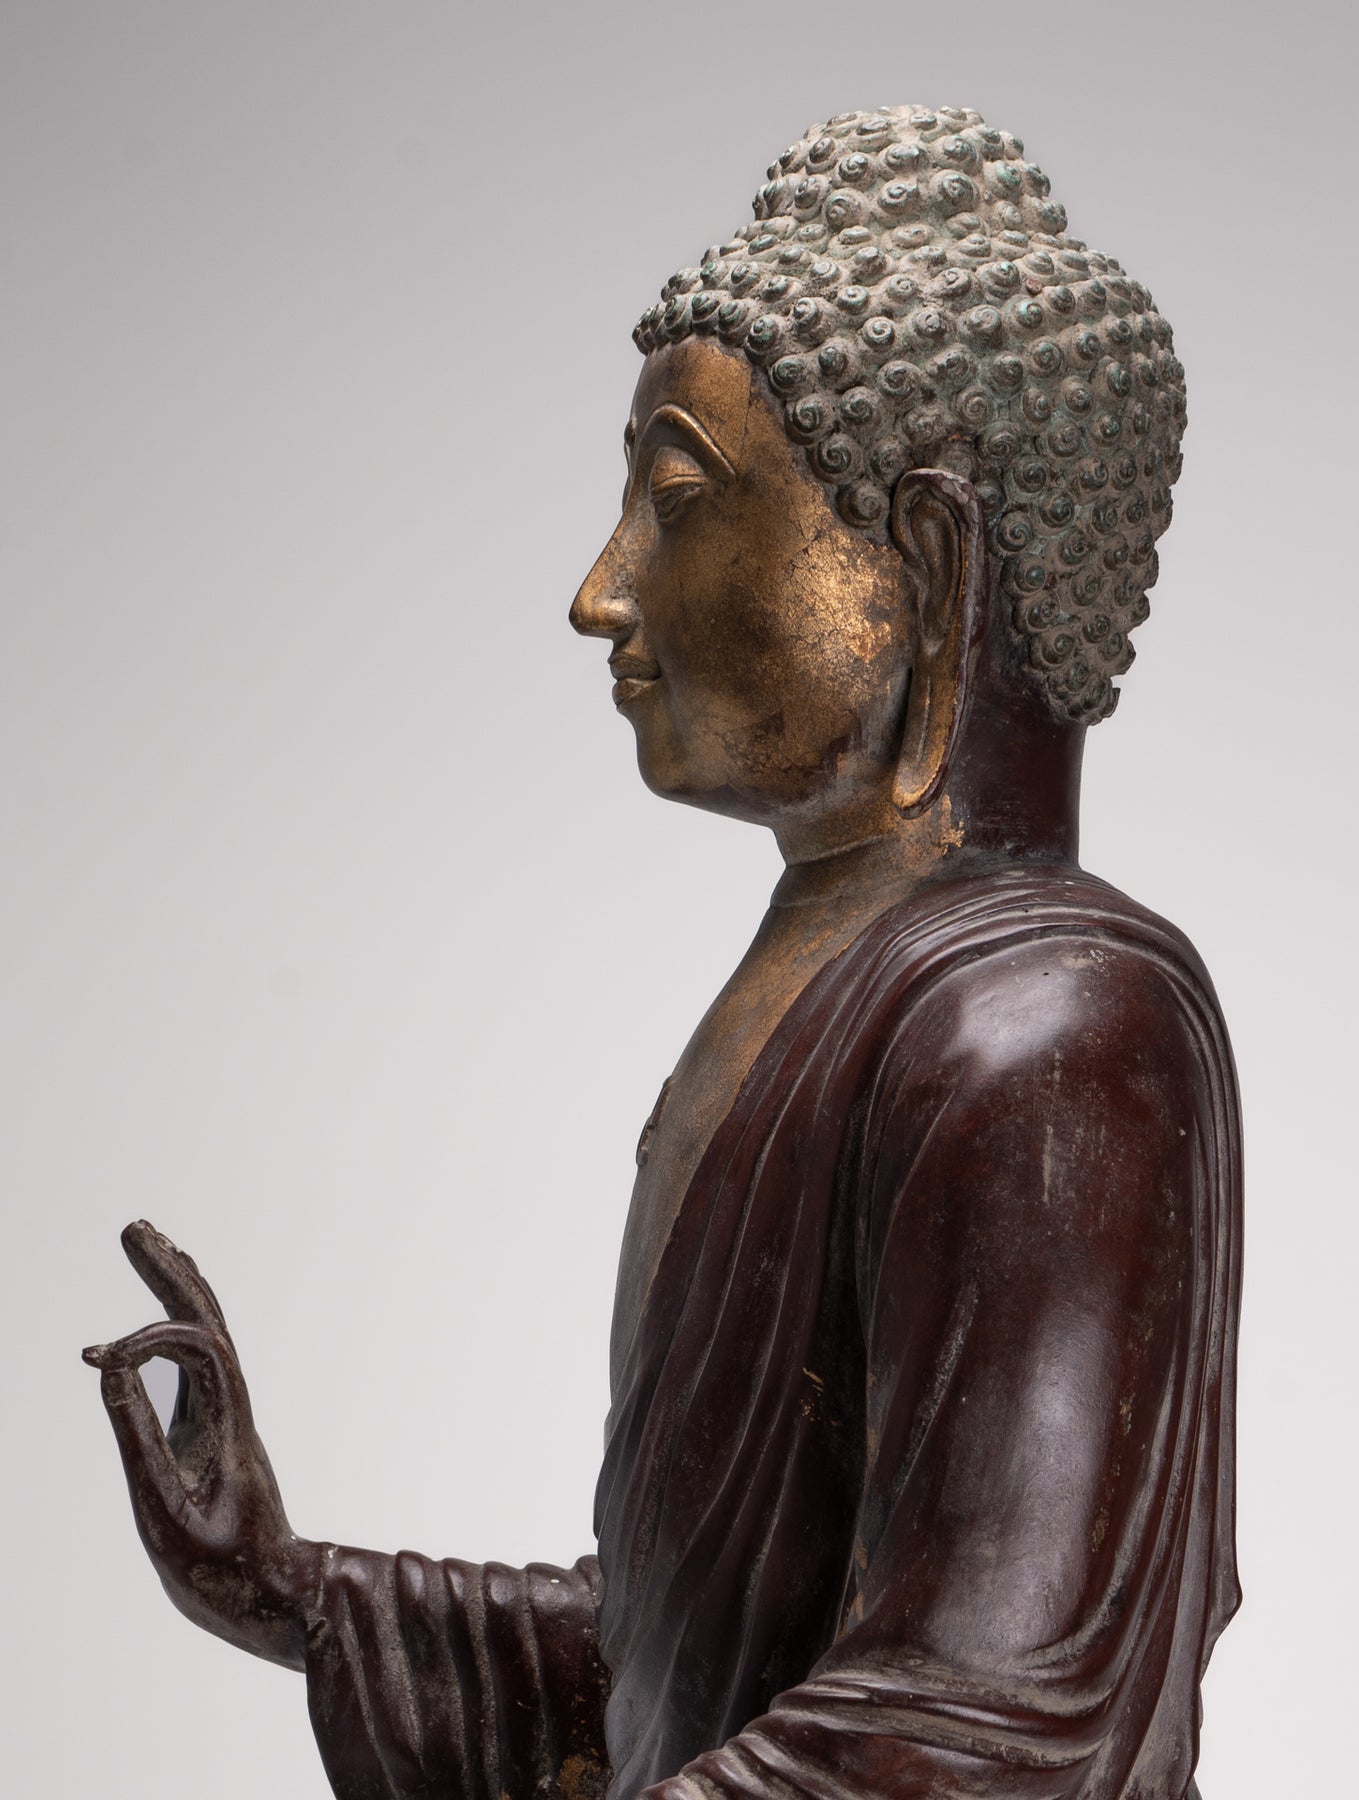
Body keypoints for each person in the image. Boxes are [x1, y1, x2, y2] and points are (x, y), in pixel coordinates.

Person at [86, 105, 1240, 1800]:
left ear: (926, 561)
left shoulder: (1053, 1029)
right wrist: (300, 1594)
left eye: (678, 498)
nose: (604, 590)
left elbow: (975, 1730)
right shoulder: (845, 985)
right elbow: (683, 1660)